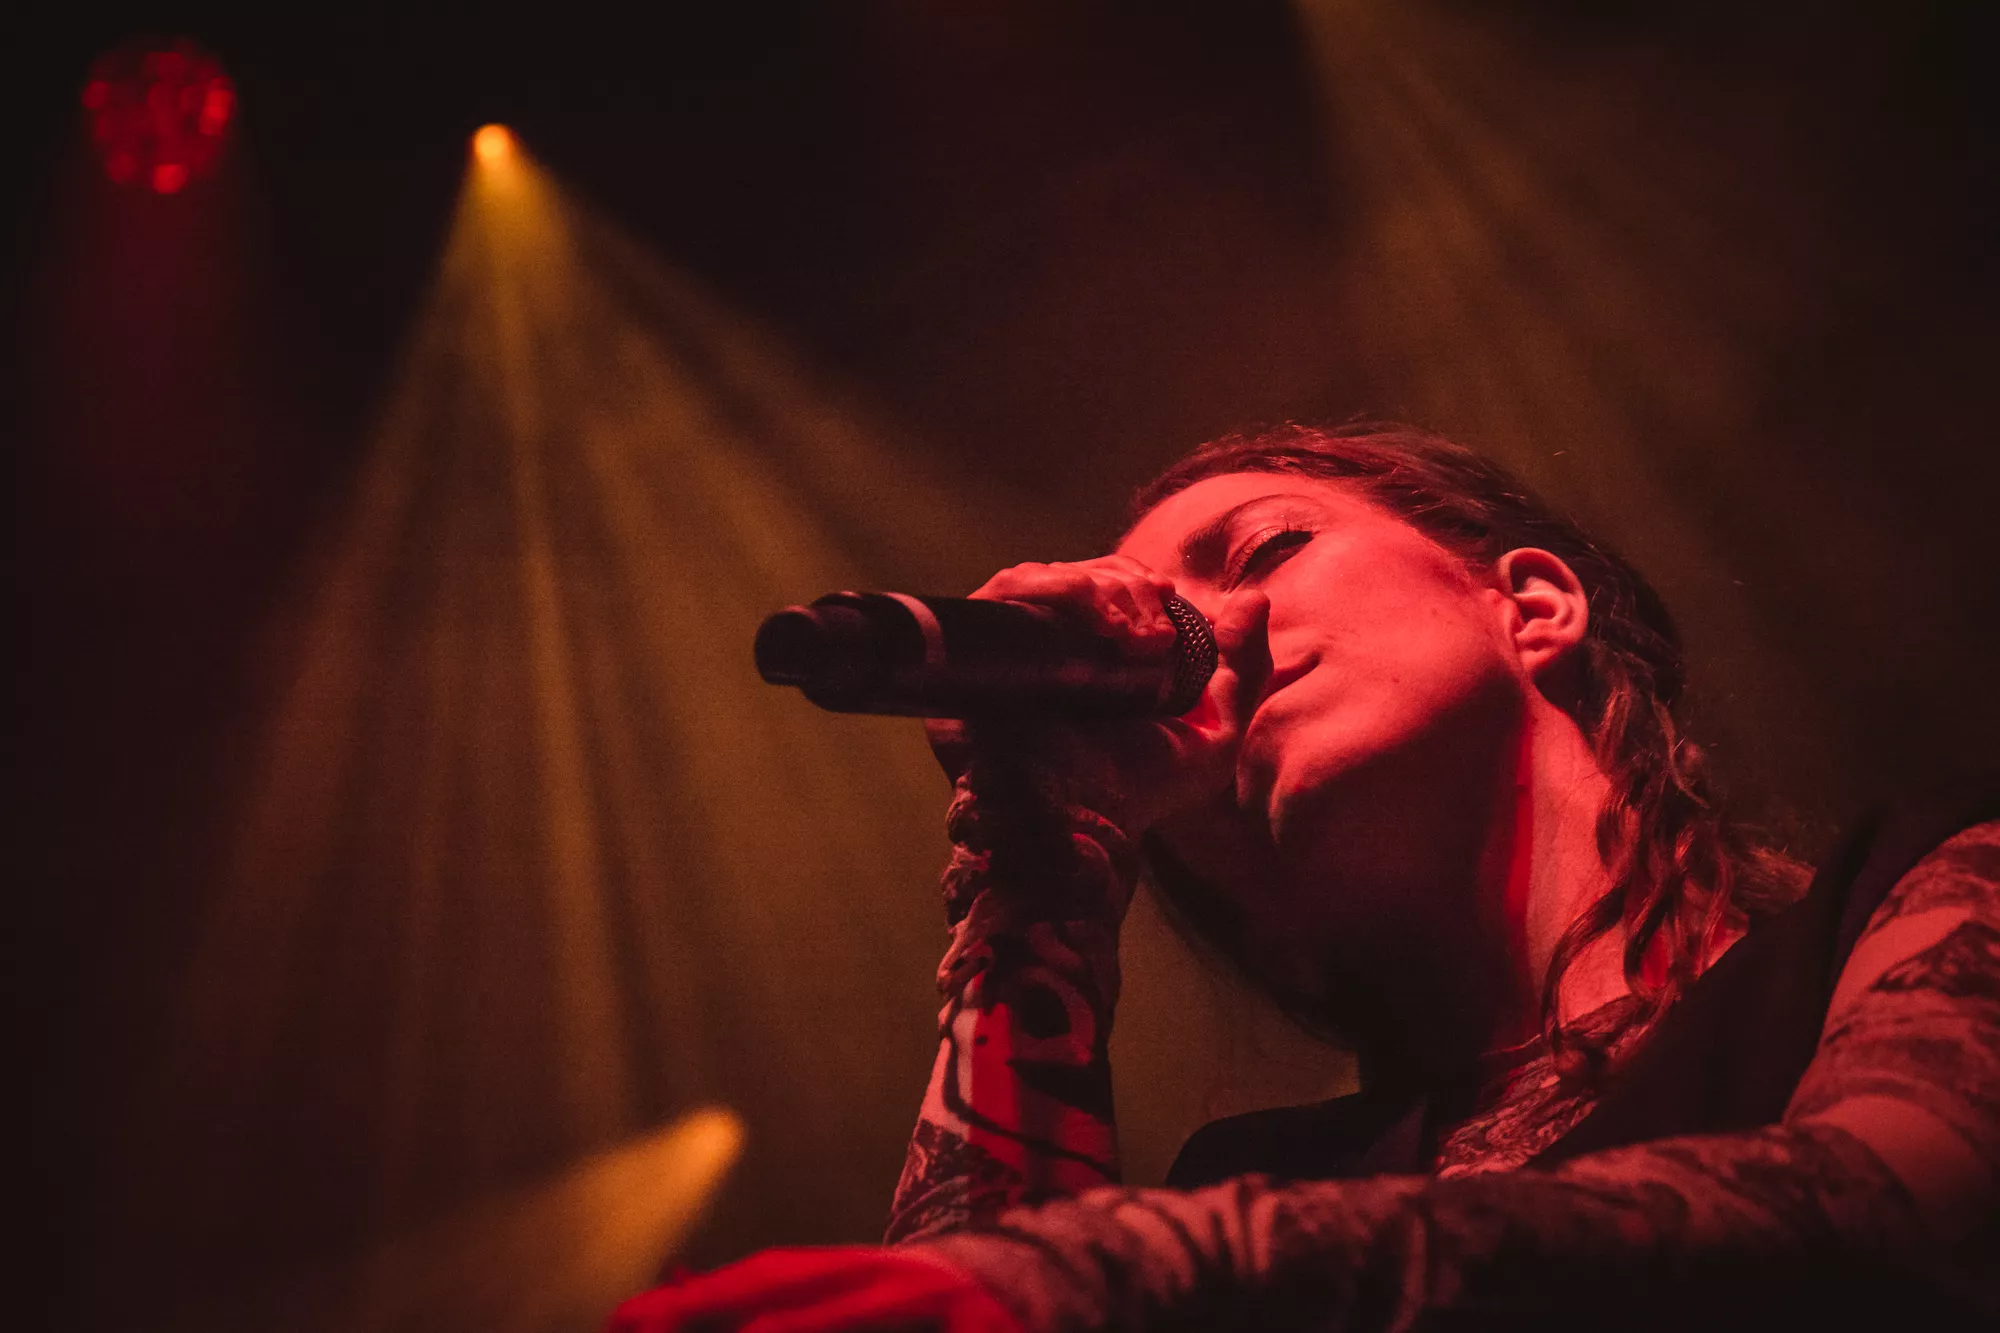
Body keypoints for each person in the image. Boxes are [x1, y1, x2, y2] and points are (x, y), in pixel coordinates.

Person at [611, 423, 1998, 1331]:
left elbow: (1905, 1210)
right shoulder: (1269, 1175)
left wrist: (1135, 1274)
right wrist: (1041, 852)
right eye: (1166, 625)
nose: (1206, 638)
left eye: (1268, 551)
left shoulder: (1916, 894)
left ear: (1531, 604)